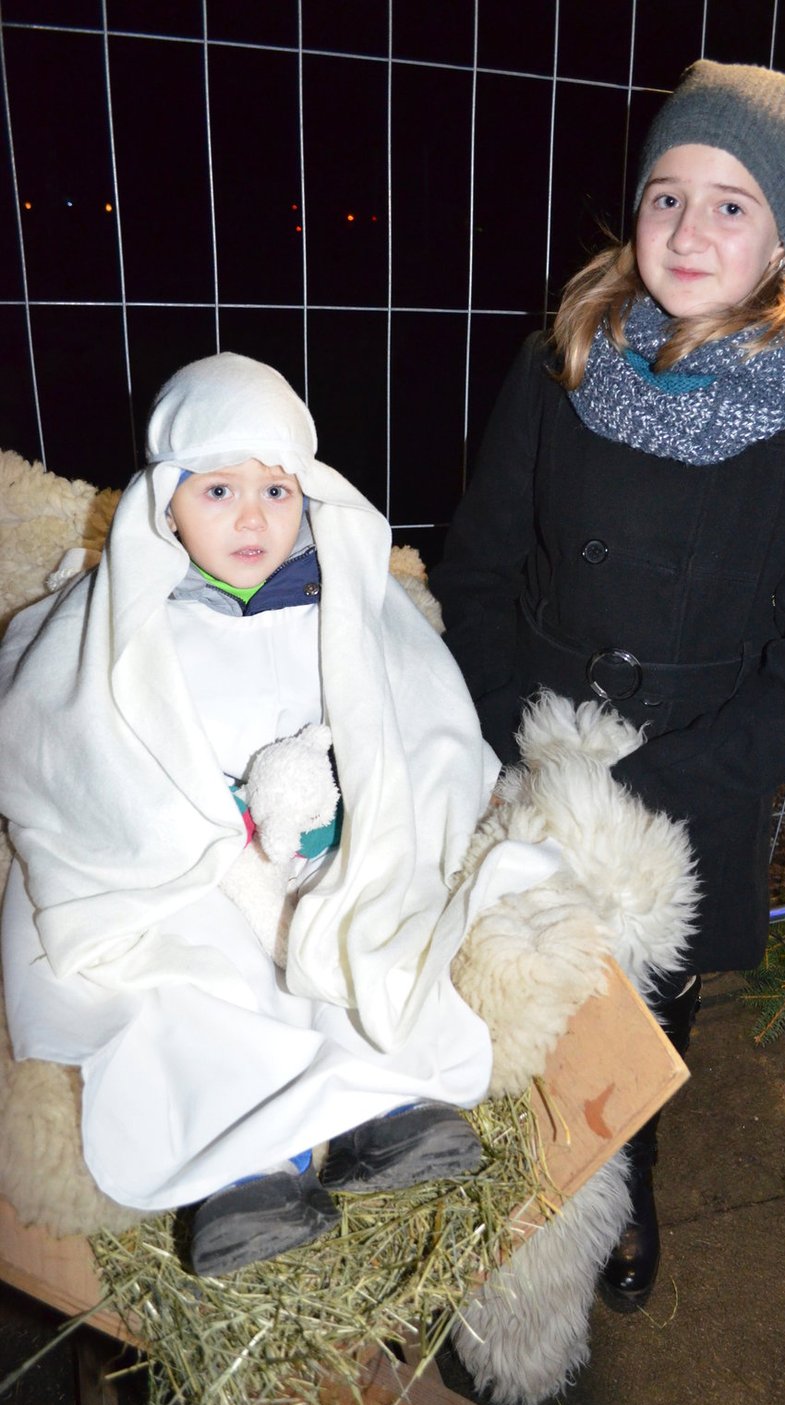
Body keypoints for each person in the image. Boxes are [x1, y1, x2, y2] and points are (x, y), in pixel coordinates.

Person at [431, 60, 785, 1310]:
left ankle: (627, 1176)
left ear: (783, 234)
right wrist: (510, 728)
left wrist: (673, 779)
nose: (690, 229)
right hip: (536, 743)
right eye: (667, 195)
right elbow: (482, 566)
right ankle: (487, 1190)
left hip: (692, 769)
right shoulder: (561, 364)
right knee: (504, 978)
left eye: (731, 204)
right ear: (633, 210)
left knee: (644, 1009)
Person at [0, 352, 541, 1277]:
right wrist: (192, 832)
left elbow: (418, 712)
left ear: (309, 494)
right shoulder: (125, 610)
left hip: (319, 842)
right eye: (217, 490)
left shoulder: (341, 595)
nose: (252, 517)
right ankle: (252, 1168)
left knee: (367, 924)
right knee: (192, 972)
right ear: (166, 501)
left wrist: (396, 805)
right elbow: (61, 737)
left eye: (276, 490)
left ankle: (388, 1112)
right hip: (192, 860)